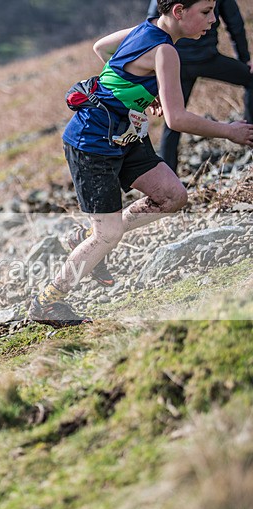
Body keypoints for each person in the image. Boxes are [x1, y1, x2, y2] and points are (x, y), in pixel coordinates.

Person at [28, 0, 253, 329]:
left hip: (127, 136)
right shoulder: (166, 52)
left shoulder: (143, 29)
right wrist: (229, 131)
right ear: (178, 11)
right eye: (205, 11)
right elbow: (176, 120)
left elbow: (101, 48)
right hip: (92, 143)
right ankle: (47, 302)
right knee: (107, 237)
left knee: (173, 197)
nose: (213, 19)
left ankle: (85, 238)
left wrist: (142, 93)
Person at [147, 0, 252, 172]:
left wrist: (155, 73)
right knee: (250, 79)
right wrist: (244, 59)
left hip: (177, 63)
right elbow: (235, 23)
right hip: (206, 59)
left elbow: (153, 23)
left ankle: (169, 176)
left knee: (172, 121)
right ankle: (249, 135)